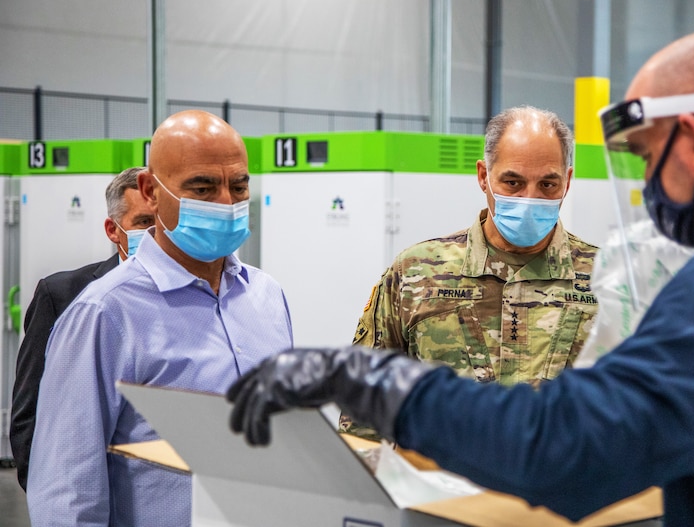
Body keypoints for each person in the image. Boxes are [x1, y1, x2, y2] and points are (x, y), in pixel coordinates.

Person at [227, 26, 694, 525]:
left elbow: (567, 447)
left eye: (646, 155)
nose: (650, 186)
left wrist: (367, 375)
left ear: (691, 139)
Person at [27, 110, 294, 527]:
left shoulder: (266, 297)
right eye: (203, 188)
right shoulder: (104, 314)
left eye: (238, 186)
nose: (226, 203)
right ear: (151, 191)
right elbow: (66, 492)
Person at [342, 107, 598, 436]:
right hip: (443, 484)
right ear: (483, 176)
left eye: (548, 185)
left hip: (563, 485)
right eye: (513, 182)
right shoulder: (416, 274)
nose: (529, 198)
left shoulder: (605, 280)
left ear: (568, 181)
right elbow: (365, 405)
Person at [10, 166, 154, 491]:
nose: (158, 234)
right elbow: (28, 412)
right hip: (85, 490)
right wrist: (47, 495)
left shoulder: (191, 295)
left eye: (164, 222)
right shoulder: (63, 295)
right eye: (144, 223)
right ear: (113, 230)